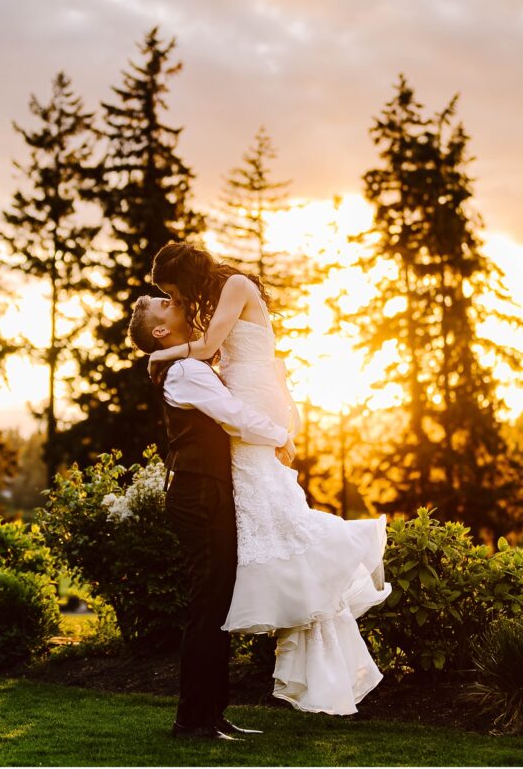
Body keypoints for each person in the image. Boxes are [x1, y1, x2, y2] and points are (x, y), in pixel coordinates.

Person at [145, 241, 391, 716]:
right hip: (245, 395)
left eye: (173, 290)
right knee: (265, 506)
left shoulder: (234, 286)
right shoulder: (212, 308)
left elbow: (213, 348)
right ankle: (296, 579)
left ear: (187, 274)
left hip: (252, 393)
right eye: (167, 298)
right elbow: (212, 358)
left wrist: (161, 356)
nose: (175, 300)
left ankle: (331, 550)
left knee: (269, 503)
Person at [129, 295, 295, 741]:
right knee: (207, 607)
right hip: (197, 492)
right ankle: (191, 720)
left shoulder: (190, 362)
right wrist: (279, 436)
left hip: (209, 491)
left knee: (217, 605)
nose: (174, 302)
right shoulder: (184, 371)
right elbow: (233, 415)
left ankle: (213, 714)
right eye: (164, 305)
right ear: (161, 331)